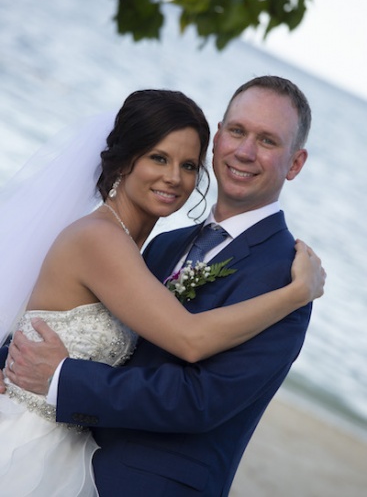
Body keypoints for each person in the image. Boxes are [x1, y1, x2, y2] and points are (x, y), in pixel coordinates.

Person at [2, 79, 325, 496]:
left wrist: (62, 377)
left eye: (267, 140)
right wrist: (11, 357)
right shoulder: (164, 245)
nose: (245, 151)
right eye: (238, 132)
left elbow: (200, 400)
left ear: (295, 163)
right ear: (219, 137)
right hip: (64, 461)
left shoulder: (287, 276)